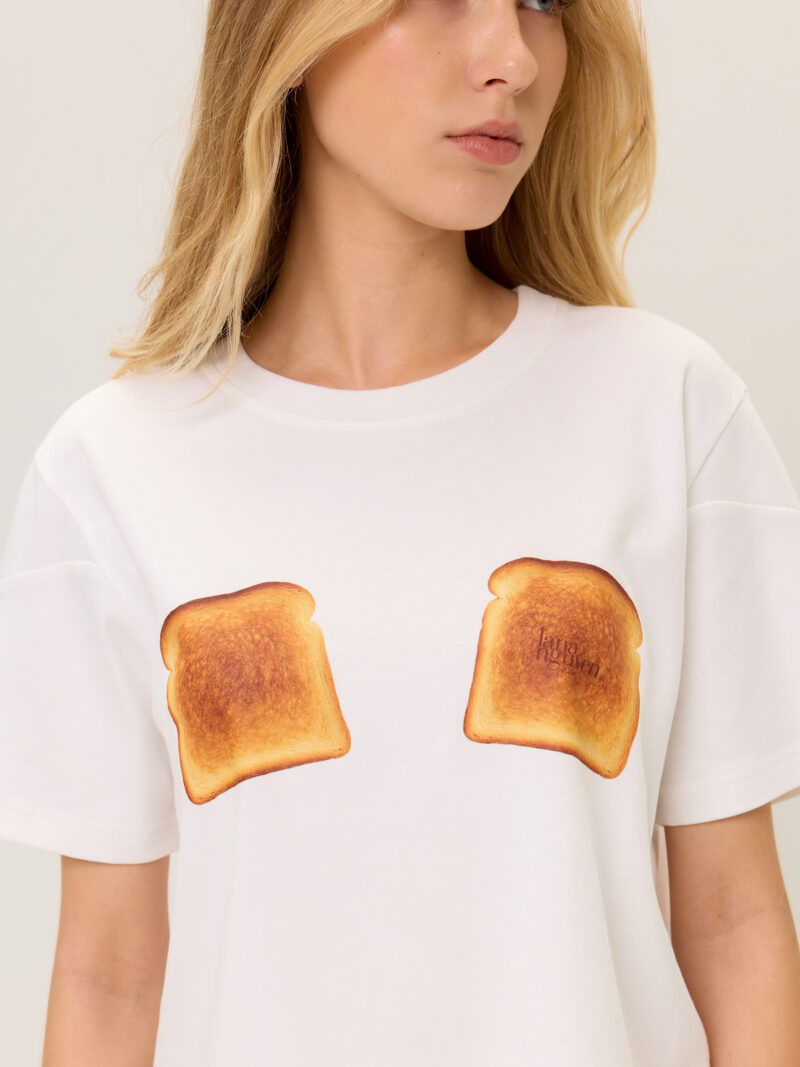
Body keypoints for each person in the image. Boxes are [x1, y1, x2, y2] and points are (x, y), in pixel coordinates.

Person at [2, 0, 800, 1063]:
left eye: (541, 4)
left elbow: (733, 921)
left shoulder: (668, 411)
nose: (512, 59)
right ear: (288, 35)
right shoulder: (112, 468)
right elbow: (108, 975)